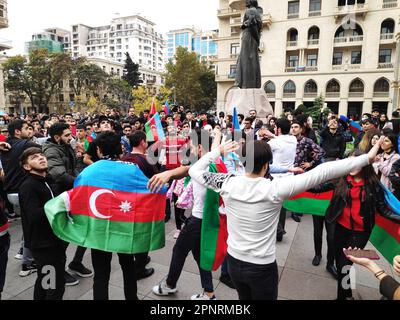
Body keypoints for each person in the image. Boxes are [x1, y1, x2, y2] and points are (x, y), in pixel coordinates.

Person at [188, 133, 385, 300]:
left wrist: (217, 152)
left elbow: (194, 170)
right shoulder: (275, 188)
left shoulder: (226, 183)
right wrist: (366, 159)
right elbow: (323, 172)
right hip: (261, 267)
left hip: (234, 262)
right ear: (266, 164)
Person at [325, 148, 400, 300]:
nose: (353, 167)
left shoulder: (373, 185)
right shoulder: (341, 179)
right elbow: (319, 186)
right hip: (340, 228)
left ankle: (345, 297)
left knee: (345, 265)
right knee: (341, 265)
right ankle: (346, 296)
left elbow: (383, 209)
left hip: (360, 233)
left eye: (357, 163)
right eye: (350, 162)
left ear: (365, 164)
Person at [152, 130, 217, 300]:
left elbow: (188, 169)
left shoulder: (202, 166)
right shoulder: (215, 163)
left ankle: (169, 285)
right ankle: (209, 292)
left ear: (201, 147)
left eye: (193, 146)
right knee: (198, 255)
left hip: (198, 219)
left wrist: (169, 173)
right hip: (204, 219)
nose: (190, 148)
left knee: (179, 250)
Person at [43, 123, 93, 284]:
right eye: (66, 135)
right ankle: (59, 271)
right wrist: (80, 184)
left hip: (73, 193)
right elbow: (60, 174)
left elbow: (72, 169)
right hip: (61, 195)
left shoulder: (66, 146)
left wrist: (82, 180)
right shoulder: (51, 150)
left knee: (85, 227)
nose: (70, 137)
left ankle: (76, 262)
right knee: (62, 236)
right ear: (57, 137)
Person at [19, 147, 67, 300]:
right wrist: (59, 205)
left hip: (55, 240)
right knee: (52, 284)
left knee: (45, 280)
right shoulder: (28, 186)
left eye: (41, 155)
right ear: (27, 166)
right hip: (43, 245)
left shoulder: (48, 180)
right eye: (34, 157)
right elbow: (33, 215)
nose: (41, 157)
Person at [1, 120, 41, 276]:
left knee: (28, 224)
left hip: (11, 192)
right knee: (32, 228)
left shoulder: (6, 144)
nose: (30, 131)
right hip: (21, 192)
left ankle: (21, 251)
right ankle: (27, 264)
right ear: (17, 131)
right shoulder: (24, 145)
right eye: (27, 128)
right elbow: (40, 149)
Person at [121, 131, 156, 281]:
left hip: (126, 204)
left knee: (133, 234)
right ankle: (139, 269)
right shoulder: (147, 160)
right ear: (142, 142)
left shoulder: (124, 159)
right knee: (143, 236)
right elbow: (156, 181)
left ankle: (139, 259)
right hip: (143, 205)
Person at [291, 120, 325, 223]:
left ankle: (296, 212)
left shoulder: (306, 141)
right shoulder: (287, 140)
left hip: (300, 171)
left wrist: (310, 164)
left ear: (301, 129)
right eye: (292, 127)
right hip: (288, 170)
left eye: (296, 127)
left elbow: (321, 152)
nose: (293, 129)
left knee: (298, 191)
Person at [235, 0, 263, 89]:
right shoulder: (257, 12)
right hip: (252, 37)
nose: (245, 2)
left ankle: (245, 84)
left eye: (247, 0)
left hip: (249, 37)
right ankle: (252, 83)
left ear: (251, 2)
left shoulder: (250, 11)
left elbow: (252, 26)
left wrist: (257, 40)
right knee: (251, 59)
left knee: (246, 59)